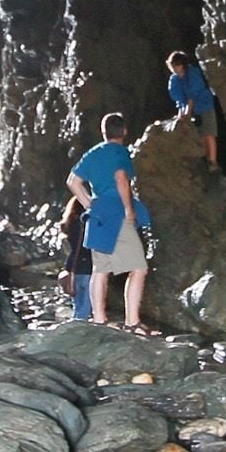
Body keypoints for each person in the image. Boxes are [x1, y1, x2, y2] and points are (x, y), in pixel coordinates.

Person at [67, 112, 153, 331]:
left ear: (103, 132)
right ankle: (133, 322)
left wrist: (89, 204)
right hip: (117, 214)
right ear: (123, 131)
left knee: (100, 270)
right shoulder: (120, 152)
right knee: (139, 268)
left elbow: (73, 182)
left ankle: (99, 320)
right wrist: (128, 208)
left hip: (97, 216)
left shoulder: (93, 153)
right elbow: (121, 178)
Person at [165, 51, 219, 170]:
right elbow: (179, 98)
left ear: (183, 64)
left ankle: (212, 161)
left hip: (204, 105)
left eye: (177, 65)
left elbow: (192, 95)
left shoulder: (193, 74)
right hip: (189, 108)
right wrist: (181, 115)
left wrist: (188, 114)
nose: (175, 69)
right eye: (173, 66)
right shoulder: (174, 79)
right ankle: (202, 161)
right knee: (197, 135)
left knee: (208, 133)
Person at [57, 195, 93, 322]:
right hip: (87, 267)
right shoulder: (86, 223)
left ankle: (75, 322)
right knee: (86, 305)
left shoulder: (70, 224)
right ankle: (80, 329)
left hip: (73, 267)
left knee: (78, 304)